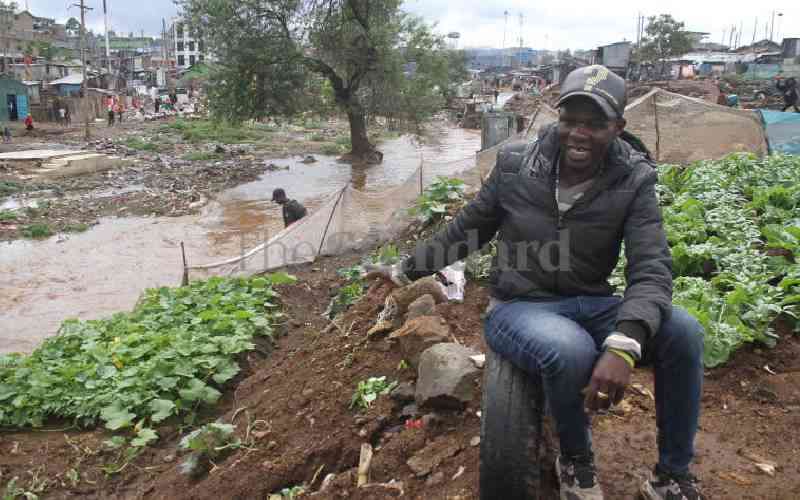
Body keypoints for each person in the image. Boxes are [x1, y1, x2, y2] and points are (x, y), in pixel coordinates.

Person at [365, 65, 705, 500]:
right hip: (520, 307)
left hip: (591, 300)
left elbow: (652, 267)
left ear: (617, 127)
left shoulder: (633, 179)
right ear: (557, 119)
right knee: (570, 349)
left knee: (684, 333)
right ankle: (575, 460)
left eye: (594, 123)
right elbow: (467, 230)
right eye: (570, 120)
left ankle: (671, 476)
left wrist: (625, 343)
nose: (579, 133)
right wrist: (405, 269)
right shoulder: (515, 166)